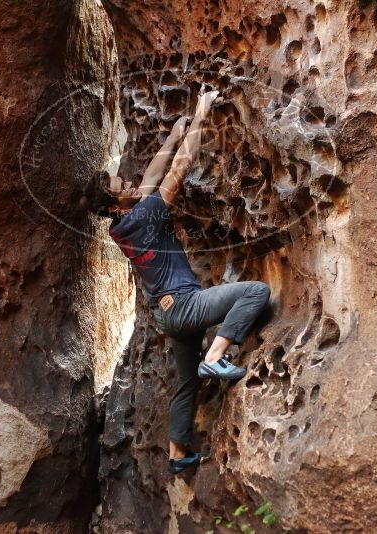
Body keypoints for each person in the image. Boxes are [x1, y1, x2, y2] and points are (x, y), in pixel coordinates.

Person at [83, 91, 271, 474]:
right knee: (257, 292)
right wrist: (201, 116)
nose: (131, 182)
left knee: (186, 385)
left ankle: (177, 454)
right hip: (185, 306)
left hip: (167, 316)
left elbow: (152, 177)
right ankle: (216, 357)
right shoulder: (147, 212)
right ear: (113, 204)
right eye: (123, 186)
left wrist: (172, 135)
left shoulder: (123, 226)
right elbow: (178, 170)